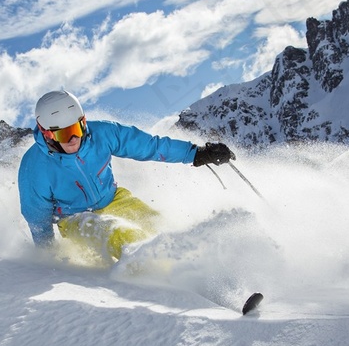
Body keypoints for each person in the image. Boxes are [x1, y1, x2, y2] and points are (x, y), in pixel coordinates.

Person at [18, 90, 234, 262]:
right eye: (64, 133)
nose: (74, 138)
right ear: (47, 134)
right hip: (74, 218)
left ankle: (206, 272)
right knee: (124, 236)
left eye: (77, 127)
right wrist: (47, 259)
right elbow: (37, 218)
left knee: (162, 227)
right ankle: (172, 284)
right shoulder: (35, 167)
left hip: (114, 199)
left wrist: (195, 153)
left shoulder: (102, 134)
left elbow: (149, 145)